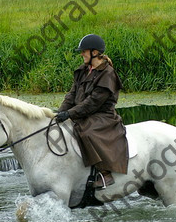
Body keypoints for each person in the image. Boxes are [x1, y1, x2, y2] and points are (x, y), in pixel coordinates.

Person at [55, 34, 129, 189]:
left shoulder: (107, 74)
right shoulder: (83, 70)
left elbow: (92, 103)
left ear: (94, 53)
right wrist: (59, 113)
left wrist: (70, 114)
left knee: (85, 131)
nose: (81, 54)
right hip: (84, 113)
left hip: (102, 116)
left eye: (84, 51)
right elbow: (72, 94)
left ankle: (105, 173)